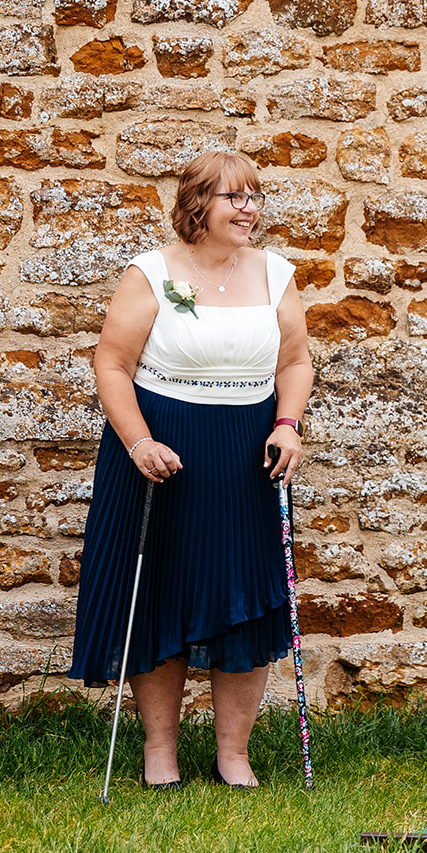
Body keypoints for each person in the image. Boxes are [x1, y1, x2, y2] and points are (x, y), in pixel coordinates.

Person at [70, 150, 312, 789]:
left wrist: (287, 423)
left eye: (255, 195)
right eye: (236, 197)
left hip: (246, 453)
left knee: (247, 598)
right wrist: (138, 442)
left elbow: (294, 362)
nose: (250, 208)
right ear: (197, 206)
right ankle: (160, 750)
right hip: (164, 452)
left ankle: (234, 753)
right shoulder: (151, 274)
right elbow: (112, 364)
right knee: (161, 596)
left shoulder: (276, 274)